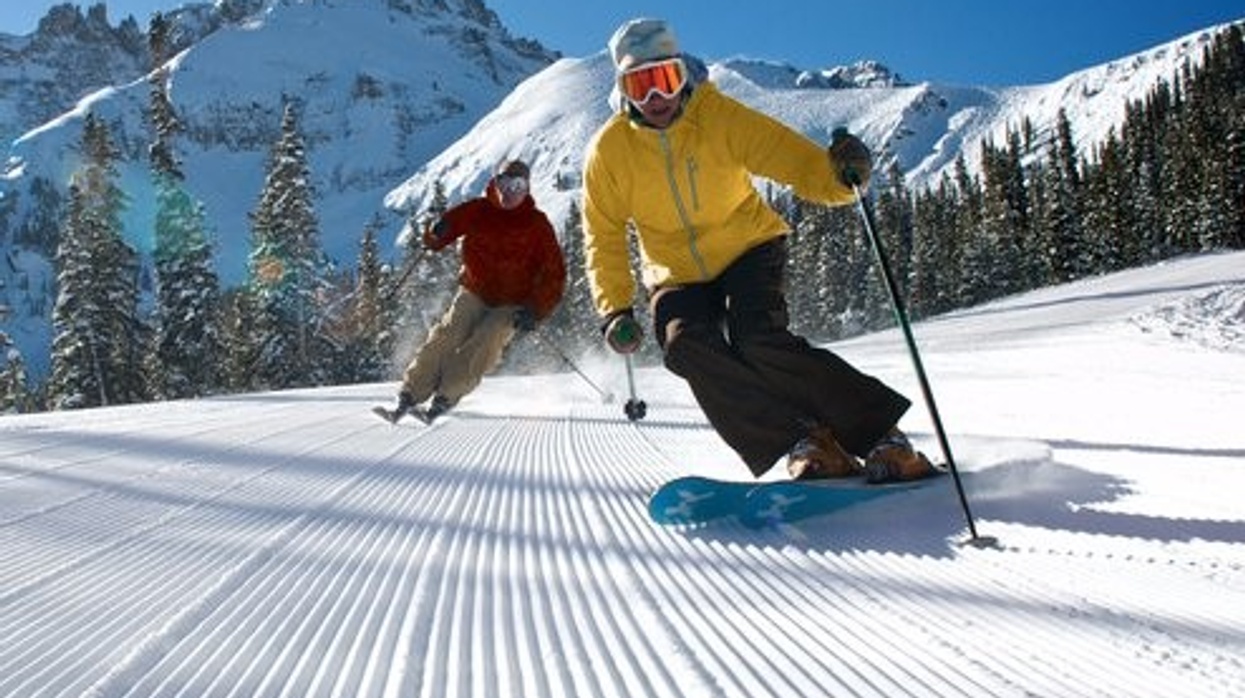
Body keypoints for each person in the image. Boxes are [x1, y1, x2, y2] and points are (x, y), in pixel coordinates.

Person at [581, 18, 937, 483]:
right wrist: (615, 309)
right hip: (675, 272)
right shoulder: (609, 152)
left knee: (758, 338)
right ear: (622, 90)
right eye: (640, 86)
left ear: (683, 74)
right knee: (685, 345)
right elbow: (602, 234)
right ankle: (804, 439)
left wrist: (841, 176)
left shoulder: (719, 117)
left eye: (664, 80)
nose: (656, 99)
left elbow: (789, 157)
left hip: (749, 245)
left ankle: (882, 437)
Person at [387, 159, 566, 422]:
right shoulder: (477, 210)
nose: (510, 192)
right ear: (496, 182)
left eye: (518, 185)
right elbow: (439, 236)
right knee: (449, 333)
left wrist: (536, 309)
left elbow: (554, 274)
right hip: (476, 291)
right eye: (505, 183)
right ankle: (410, 394)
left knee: (487, 339)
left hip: (512, 302)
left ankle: (446, 396)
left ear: (527, 188)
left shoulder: (537, 224)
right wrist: (437, 232)